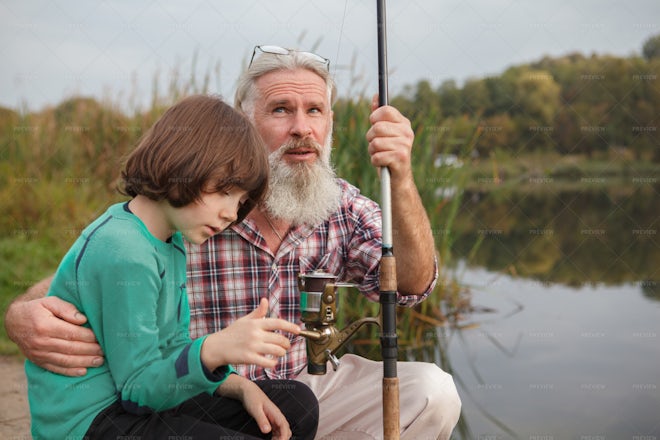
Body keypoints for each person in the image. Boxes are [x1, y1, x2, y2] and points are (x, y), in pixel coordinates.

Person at [6, 46, 461, 439]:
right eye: (281, 109)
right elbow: (97, 276)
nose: (302, 127)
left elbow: (411, 285)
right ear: (243, 124)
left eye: (315, 111)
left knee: (431, 392)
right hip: (178, 387)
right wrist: (22, 313)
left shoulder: (341, 205)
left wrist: (400, 176)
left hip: (296, 383)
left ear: (330, 124)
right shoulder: (188, 210)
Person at [22, 94, 318, 440]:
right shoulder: (125, 250)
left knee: (294, 406)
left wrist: (237, 386)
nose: (230, 214)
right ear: (185, 163)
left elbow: (173, 345)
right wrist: (213, 348)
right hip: (94, 421)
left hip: (141, 397)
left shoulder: (169, 239)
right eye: (225, 191)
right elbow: (138, 390)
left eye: (239, 203)